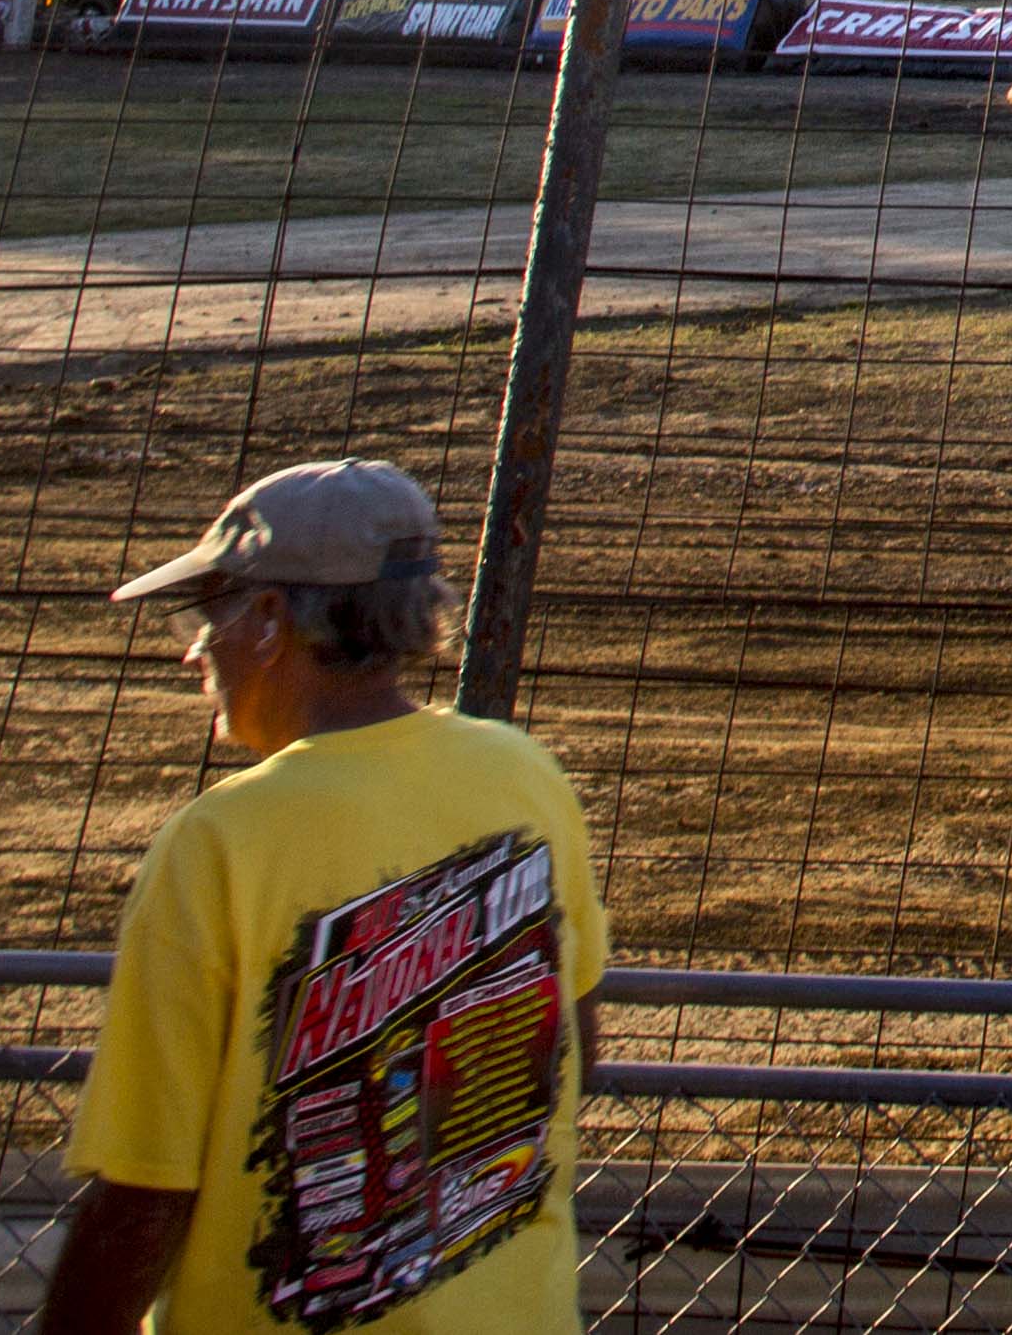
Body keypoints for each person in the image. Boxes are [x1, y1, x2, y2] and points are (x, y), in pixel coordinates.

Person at [44, 462, 608, 1335]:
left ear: (271, 620)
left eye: (210, 611)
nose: (196, 646)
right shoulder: (525, 775)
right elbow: (574, 1042)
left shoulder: (220, 843)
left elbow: (147, 1191)